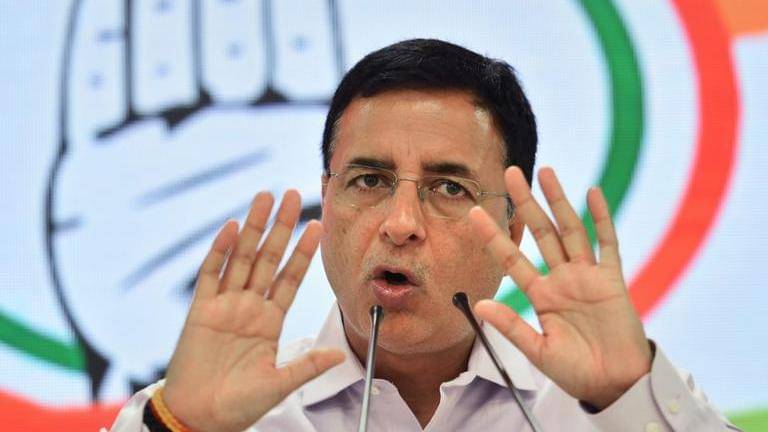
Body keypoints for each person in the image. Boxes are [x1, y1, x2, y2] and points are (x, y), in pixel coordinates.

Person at [107, 39, 738, 431]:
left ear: (513, 227)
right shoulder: (211, 413)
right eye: (370, 180)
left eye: (449, 188)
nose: (400, 223)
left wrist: (628, 396)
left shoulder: (606, 404)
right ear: (328, 199)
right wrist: (182, 428)